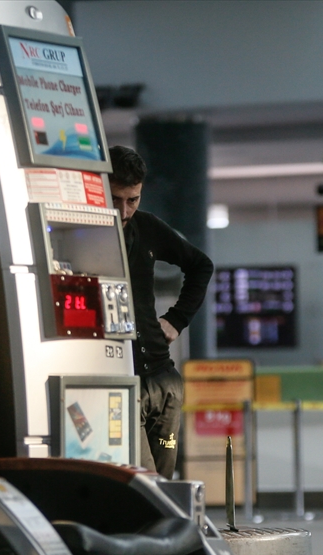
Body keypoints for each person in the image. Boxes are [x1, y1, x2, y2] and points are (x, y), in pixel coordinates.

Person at [109, 145, 214, 478]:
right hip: (121, 382)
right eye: (115, 199)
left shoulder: (148, 227)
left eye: (132, 200)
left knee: (164, 487)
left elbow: (201, 265)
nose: (124, 211)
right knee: (147, 485)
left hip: (163, 378)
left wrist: (177, 319)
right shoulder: (81, 231)